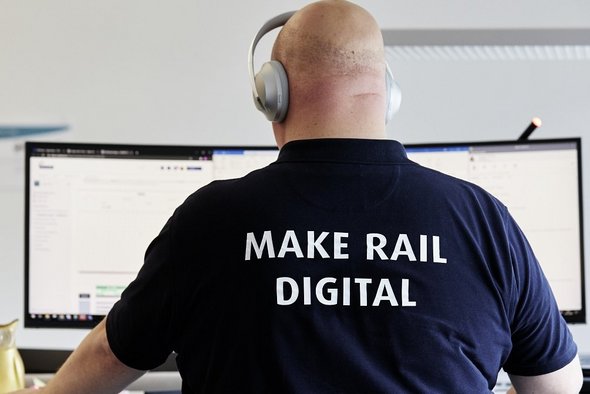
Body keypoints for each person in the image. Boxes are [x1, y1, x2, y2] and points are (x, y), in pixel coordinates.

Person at [17, 0, 583, 392]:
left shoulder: (210, 221)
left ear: (273, 95)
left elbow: (110, 356)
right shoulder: (483, 221)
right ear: (386, 95)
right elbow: (560, 384)